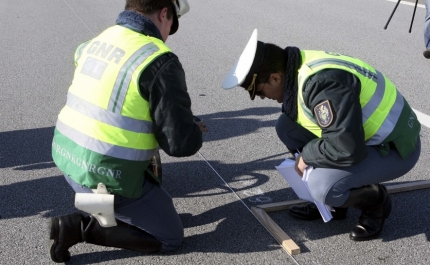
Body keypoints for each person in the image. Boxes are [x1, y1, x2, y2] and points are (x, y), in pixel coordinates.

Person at [222, 29, 421, 241]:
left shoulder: (322, 85)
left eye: (259, 92)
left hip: (395, 147)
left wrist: (307, 155)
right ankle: (336, 206)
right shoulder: (300, 68)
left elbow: (346, 148)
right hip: (363, 139)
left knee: (322, 185)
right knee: (286, 126)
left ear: (274, 78)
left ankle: (376, 202)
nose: (261, 98)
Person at [49, 0, 208, 263]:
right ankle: (78, 228)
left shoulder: (99, 39)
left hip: (67, 159)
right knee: (171, 237)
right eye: (171, 25)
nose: (168, 34)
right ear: (164, 13)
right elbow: (180, 145)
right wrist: (192, 129)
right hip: (105, 173)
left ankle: (118, 208)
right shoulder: (159, 59)